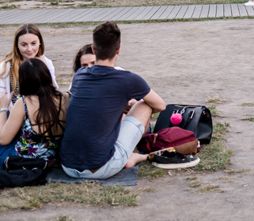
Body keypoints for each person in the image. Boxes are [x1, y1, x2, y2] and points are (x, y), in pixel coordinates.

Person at [63, 22, 189, 178]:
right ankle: (132, 155)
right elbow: (160, 105)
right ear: (118, 50)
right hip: (101, 168)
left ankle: (127, 154)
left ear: (94, 50)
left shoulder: (79, 76)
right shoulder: (128, 79)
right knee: (144, 104)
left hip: (67, 166)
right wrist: (127, 107)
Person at [0, 24, 58, 98]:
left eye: (33, 43)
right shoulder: (5, 66)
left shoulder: (46, 62)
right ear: (17, 45)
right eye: (24, 45)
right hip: (11, 108)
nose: (29, 49)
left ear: (40, 42)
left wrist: (45, 68)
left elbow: (54, 92)